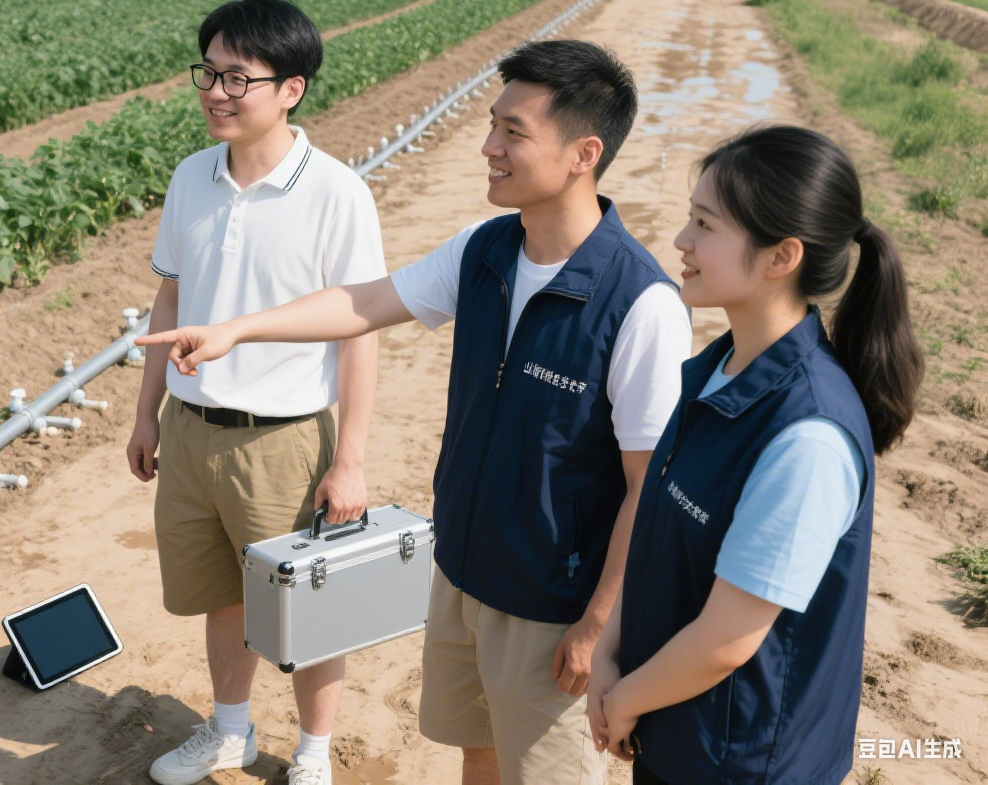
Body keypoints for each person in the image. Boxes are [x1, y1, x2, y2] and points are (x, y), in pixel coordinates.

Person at [138, 39, 692, 785]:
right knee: (479, 756)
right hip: (464, 576)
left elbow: (646, 488)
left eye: (513, 133)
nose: (489, 147)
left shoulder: (641, 304)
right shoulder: (485, 251)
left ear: (582, 152)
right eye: (492, 124)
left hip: (552, 607)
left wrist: (598, 625)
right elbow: (365, 303)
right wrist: (237, 329)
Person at [587, 126, 923, 784]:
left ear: (781, 257)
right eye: (690, 217)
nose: (682, 241)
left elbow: (728, 639)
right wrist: (609, 653)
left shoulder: (809, 435)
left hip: (743, 762)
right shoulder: (712, 372)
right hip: (675, 731)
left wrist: (624, 699)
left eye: (705, 224)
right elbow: (657, 532)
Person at [126, 0, 386, 785]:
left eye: (237, 77)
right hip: (195, 428)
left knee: (307, 605)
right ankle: (229, 732)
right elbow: (169, 300)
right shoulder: (191, 178)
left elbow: (360, 327)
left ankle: (311, 754)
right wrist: (149, 412)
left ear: (290, 89)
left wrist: (351, 460)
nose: (214, 91)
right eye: (207, 71)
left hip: (284, 438)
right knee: (222, 597)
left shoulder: (336, 192)